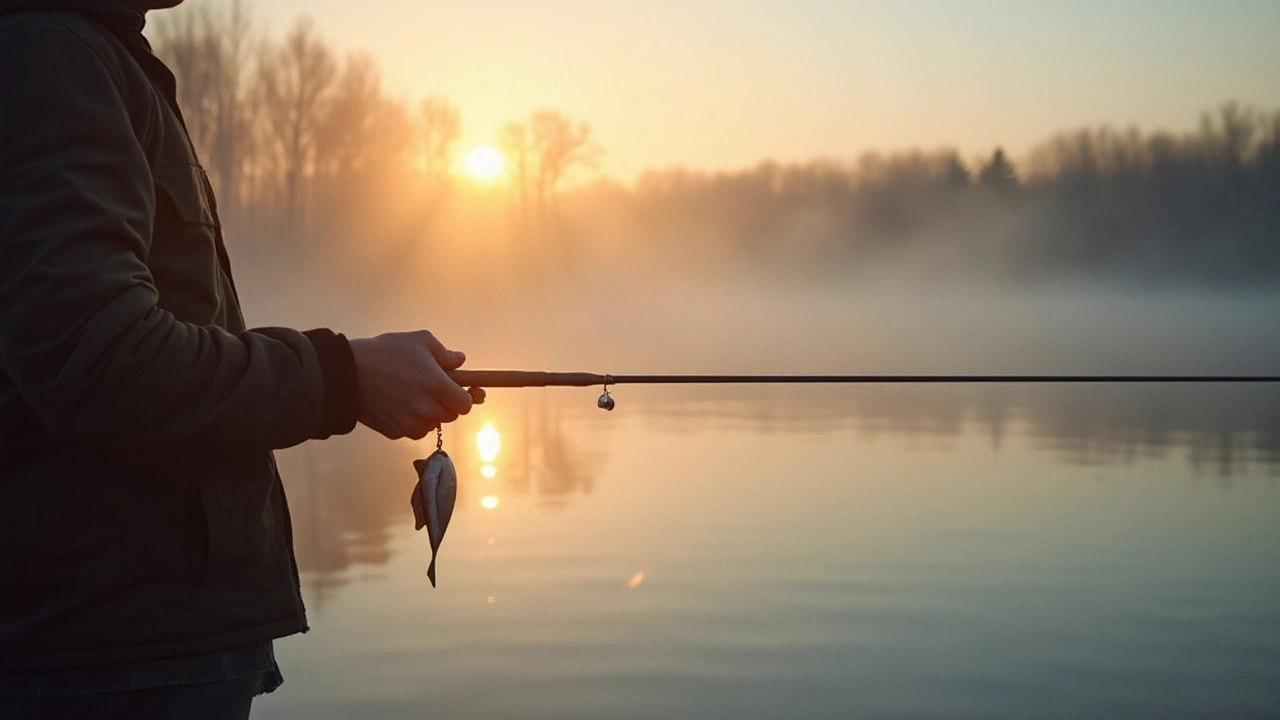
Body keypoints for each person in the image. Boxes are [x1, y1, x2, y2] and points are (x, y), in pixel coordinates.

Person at [0, 0, 483, 716]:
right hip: (109, 660)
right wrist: (344, 378)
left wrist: (346, 373)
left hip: (130, 646)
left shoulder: (91, 54)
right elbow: (100, 360)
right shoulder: (47, 54)